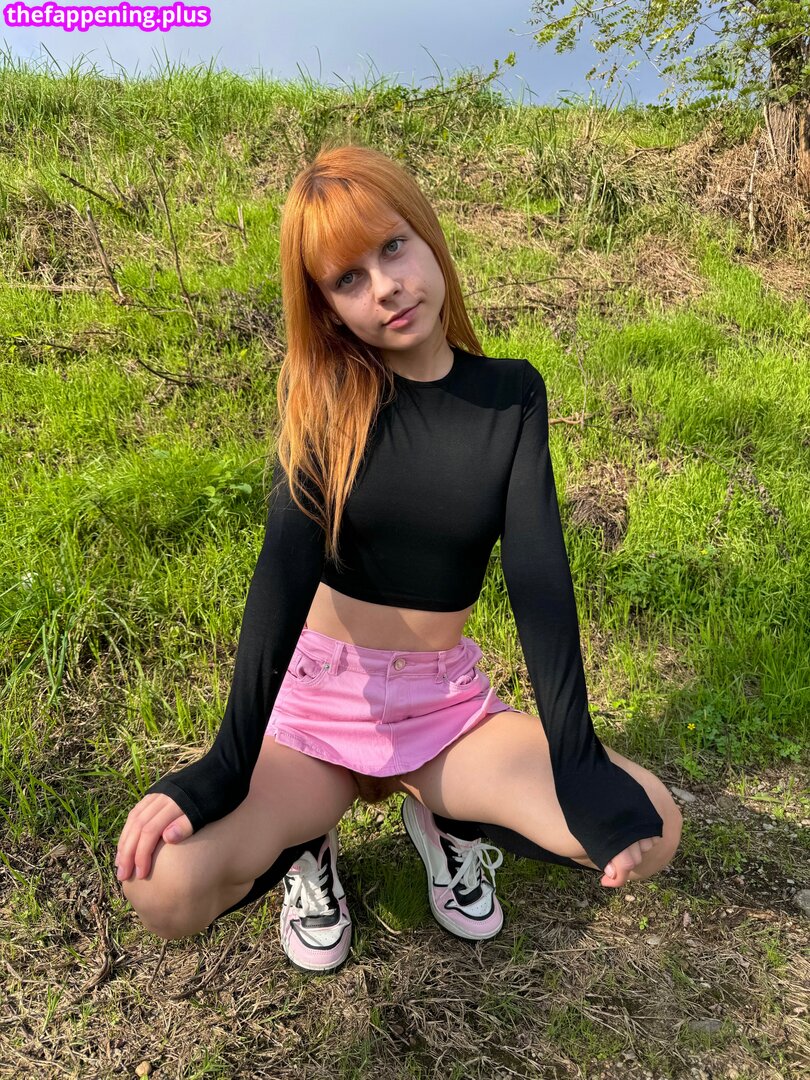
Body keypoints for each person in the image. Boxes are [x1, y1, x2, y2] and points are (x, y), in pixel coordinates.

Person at [116, 142, 682, 974]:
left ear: (427, 235)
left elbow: (538, 579)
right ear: (327, 306)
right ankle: (307, 838)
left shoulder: (511, 395)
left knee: (654, 824)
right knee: (163, 885)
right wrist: (227, 763)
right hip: (320, 710)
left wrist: (578, 756)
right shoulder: (323, 400)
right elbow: (280, 576)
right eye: (348, 279)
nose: (385, 286)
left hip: (441, 712)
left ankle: (445, 821)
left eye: (393, 247)